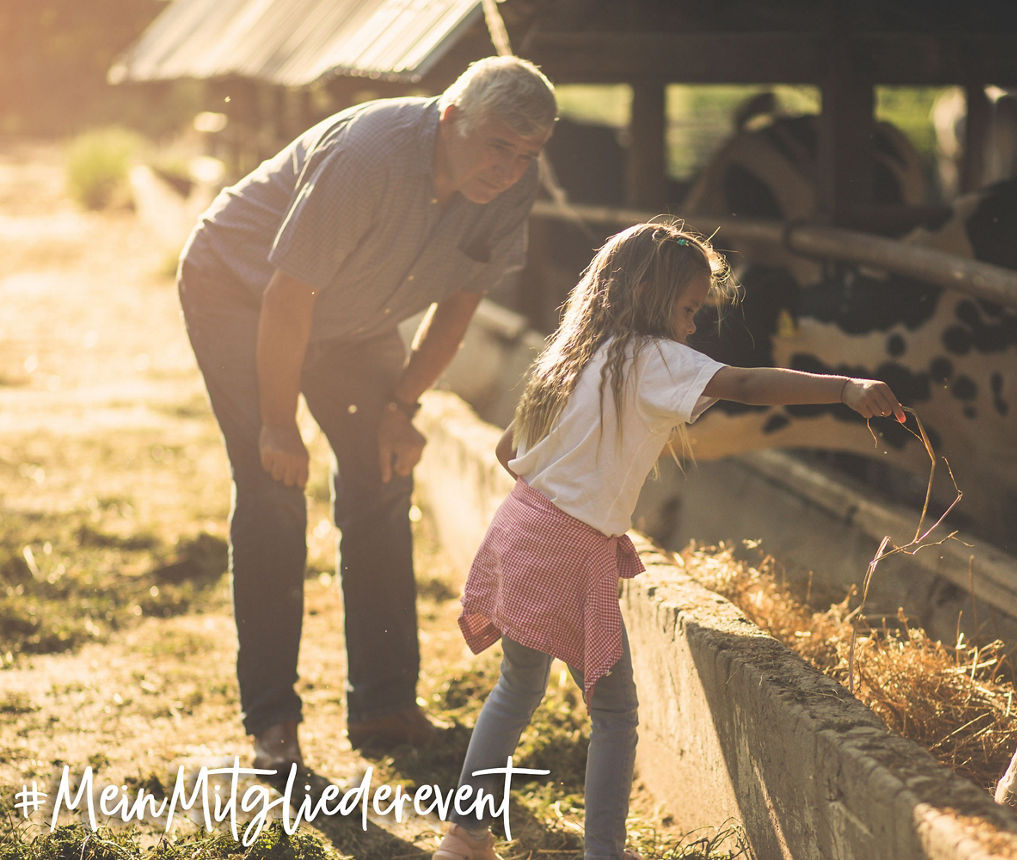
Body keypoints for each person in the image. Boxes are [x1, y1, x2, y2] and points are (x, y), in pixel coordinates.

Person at [431, 221, 905, 860]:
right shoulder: (651, 358)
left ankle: (463, 834)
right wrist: (843, 389)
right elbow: (746, 385)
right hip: (570, 546)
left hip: (521, 525)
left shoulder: (571, 353)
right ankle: (604, 850)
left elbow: (504, 449)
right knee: (615, 711)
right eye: (687, 309)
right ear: (648, 297)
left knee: (515, 689)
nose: (692, 325)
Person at [176, 55, 558, 774]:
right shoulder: (369, 157)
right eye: (498, 147)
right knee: (273, 487)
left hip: (353, 315)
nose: (509, 169)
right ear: (452, 119)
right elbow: (287, 299)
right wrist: (279, 425)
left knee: (383, 474)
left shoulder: (511, 183)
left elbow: (459, 307)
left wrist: (401, 408)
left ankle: (383, 705)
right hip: (242, 291)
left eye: (526, 154)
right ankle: (273, 723)